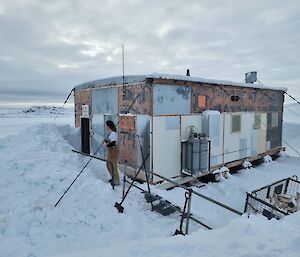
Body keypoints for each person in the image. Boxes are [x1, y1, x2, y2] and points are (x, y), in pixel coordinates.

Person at [104, 120, 120, 185]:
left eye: (106, 125)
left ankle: (116, 181)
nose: (105, 127)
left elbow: (113, 143)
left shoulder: (113, 133)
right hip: (110, 151)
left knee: (113, 166)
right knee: (109, 165)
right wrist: (106, 141)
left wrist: (107, 144)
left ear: (108, 126)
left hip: (113, 151)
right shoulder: (111, 133)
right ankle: (113, 178)